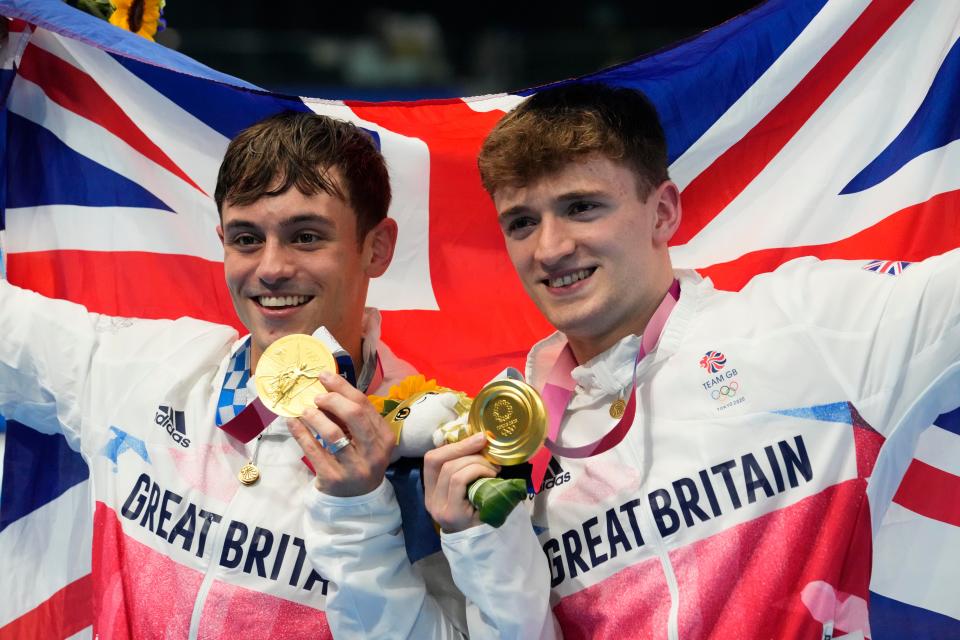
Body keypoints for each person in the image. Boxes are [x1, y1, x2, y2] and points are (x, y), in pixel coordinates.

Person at [423, 82, 960, 638]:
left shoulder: (803, 326)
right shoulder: (513, 444)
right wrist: (477, 541)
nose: (549, 248)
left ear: (662, 213)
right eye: (521, 222)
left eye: (581, 207)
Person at [0, 111, 466, 638]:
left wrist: (361, 512)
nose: (270, 268)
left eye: (306, 237)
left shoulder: (424, 442)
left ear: (376, 247)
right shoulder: (147, 368)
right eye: (246, 239)